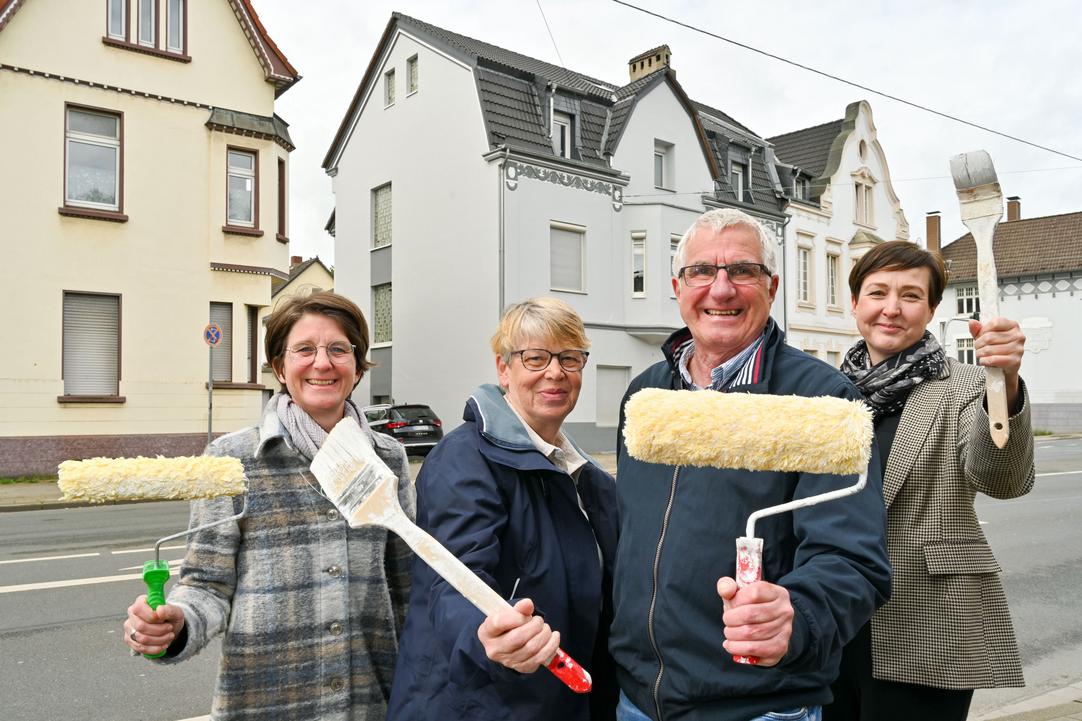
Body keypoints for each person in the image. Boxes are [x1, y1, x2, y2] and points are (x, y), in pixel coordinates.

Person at [611, 208, 891, 721]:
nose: (720, 290)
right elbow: (628, 541)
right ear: (678, 286)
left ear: (772, 287)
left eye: (742, 271)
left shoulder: (821, 397)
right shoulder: (645, 393)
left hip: (757, 706)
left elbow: (853, 561)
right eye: (701, 272)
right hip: (637, 702)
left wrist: (796, 615)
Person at [123, 291, 414, 720]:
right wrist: (177, 622)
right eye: (304, 350)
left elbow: (407, 588)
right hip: (265, 701)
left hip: (372, 701)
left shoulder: (387, 457)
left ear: (356, 366)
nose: (322, 363)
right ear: (280, 366)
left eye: (338, 349)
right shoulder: (232, 460)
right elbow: (206, 583)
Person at [824, 240, 1035, 721]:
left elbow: (1002, 479)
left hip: (929, 618)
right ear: (855, 304)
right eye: (877, 293)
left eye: (911, 295)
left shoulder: (968, 385)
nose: (891, 309)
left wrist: (1004, 385)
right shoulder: (827, 390)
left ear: (932, 309)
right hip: (834, 614)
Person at [387, 297, 619, 721]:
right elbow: (454, 578)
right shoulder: (464, 459)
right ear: (503, 369)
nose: (555, 372)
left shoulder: (588, 479)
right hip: (479, 703)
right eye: (535, 358)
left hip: (562, 700)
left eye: (570, 358)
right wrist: (484, 636)